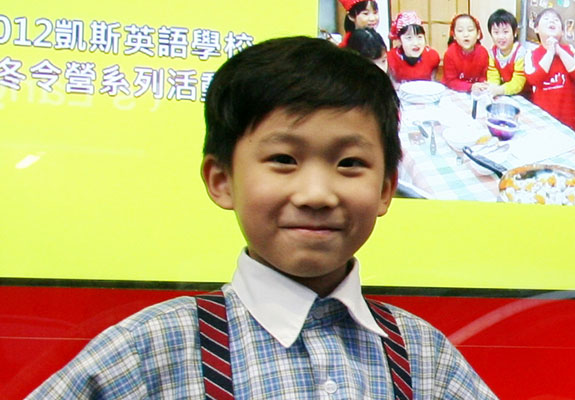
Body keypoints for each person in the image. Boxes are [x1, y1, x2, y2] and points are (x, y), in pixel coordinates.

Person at [27, 37, 498, 399]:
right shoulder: (146, 351)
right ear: (222, 180)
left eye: (350, 163)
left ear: (386, 188)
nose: (317, 194)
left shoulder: (423, 356)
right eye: (283, 159)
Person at [524, 8, 575, 131]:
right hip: (543, 121)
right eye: (546, 19)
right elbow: (534, 79)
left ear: (562, 32)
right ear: (536, 28)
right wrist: (550, 52)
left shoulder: (570, 50)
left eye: (556, 20)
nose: (551, 21)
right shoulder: (531, 54)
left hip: (572, 121)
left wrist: (559, 50)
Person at [479, 9, 527, 96]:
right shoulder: (493, 52)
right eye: (496, 32)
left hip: (523, 95)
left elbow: (518, 82)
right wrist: (493, 87)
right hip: (504, 93)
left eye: (505, 32)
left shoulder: (520, 53)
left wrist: (500, 90)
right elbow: (493, 75)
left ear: (515, 33)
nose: (501, 37)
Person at [439, 14, 490, 93]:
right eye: (460, 31)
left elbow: (483, 77)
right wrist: (470, 87)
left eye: (470, 30)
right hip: (452, 90)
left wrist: (481, 86)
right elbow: (450, 81)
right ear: (454, 35)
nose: (466, 35)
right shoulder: (450, 53)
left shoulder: (483, 53)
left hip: (476, 91)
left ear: (478, 34)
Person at [388, 12, 440, 83]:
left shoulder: (432, 56)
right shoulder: (391, 58)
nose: (416, 43)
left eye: (419, 37)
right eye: (409, 38)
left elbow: (433, 82)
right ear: (400, 40)